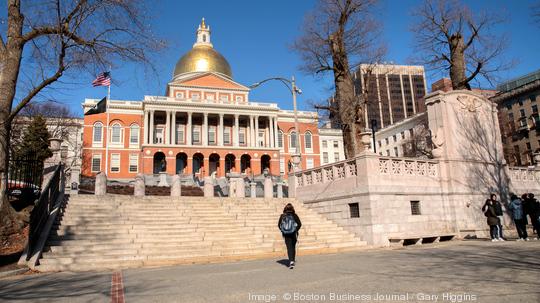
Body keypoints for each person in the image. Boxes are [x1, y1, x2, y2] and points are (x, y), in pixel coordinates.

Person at [278, 203, 302, 269]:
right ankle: (292, 261)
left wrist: (283, 230)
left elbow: (279, 225)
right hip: (293, 233)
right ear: (292, 208)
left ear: (285, 208)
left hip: (286, 234)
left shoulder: (282, 216)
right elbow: (300, 224)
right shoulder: (294, 215)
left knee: (289, 247)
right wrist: (295, 229)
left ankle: (291, 261)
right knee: (293, 247)